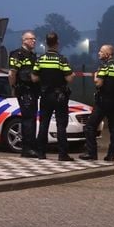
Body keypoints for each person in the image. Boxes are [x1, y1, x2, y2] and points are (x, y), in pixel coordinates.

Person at [31, 32, 75, 161]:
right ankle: (62, 154)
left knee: (44, 123)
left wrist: (44, 79)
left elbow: (34, 78)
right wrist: (70, 75)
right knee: (61, 125)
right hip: (60, 96)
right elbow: (69, 78)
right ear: (57, 43)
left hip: (45, 95)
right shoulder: (61, 59)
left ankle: (41, 153)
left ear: (46, 43)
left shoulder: (41, 59)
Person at [83, 44, 114, 162]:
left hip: (103, 101)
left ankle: (91, 153)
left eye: (101, 51)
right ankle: (111, 155)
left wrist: (95, 76)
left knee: (90, 126)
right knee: (113, 129)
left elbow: (99, 83)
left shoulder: (104, 67)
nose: (99, 53)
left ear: (107, 54)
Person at [7, 31, 40, 158]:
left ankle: (32, 146)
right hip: (24, 91)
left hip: (33, 91)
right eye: (31, 39)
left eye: (34, 39)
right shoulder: (17, 54)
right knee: (28, 120)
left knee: (32, 119)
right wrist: (13, 87)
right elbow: (12, 73)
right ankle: (27, 149)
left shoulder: (32, 55)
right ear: (24, 40)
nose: (34, 41)